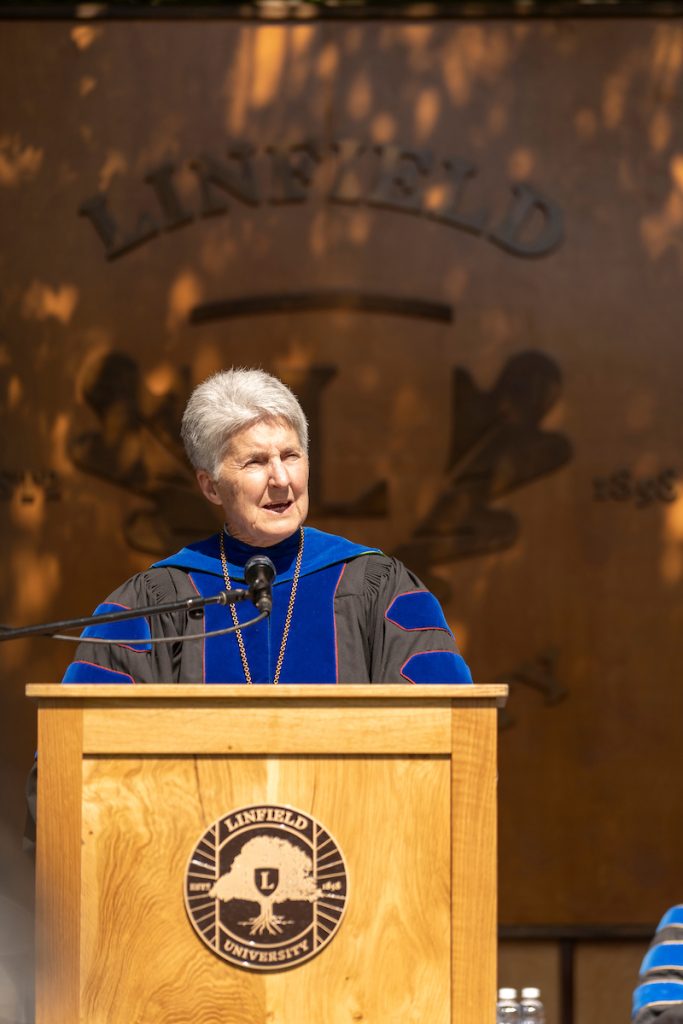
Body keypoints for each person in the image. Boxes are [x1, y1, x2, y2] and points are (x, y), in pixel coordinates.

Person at [62, 368, 472, 685]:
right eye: (256, 462)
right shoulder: (155, 602)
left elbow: (443, 724)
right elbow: (84, 748)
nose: (281, 479)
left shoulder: (376, 587)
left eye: (291, 456)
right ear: (210, 487)